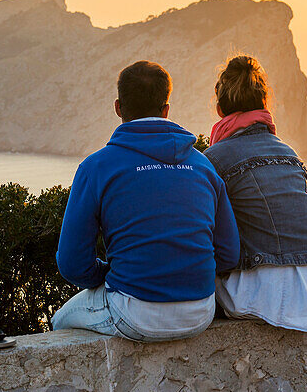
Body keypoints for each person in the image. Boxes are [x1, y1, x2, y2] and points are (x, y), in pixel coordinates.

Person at [52, 60, 240, 342]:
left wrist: (110, 274)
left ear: (118, 107)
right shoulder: (203, 166)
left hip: (133, 311)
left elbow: (72, 264)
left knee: (59, 321)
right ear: (166, 110)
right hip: (201, 310)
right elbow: (228, 254)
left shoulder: (96, 167)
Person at [202, 55, 307, 331]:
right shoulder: (290, 155)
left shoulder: (213, 159)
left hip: (265, 295)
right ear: (264, 103)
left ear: (219, 109)